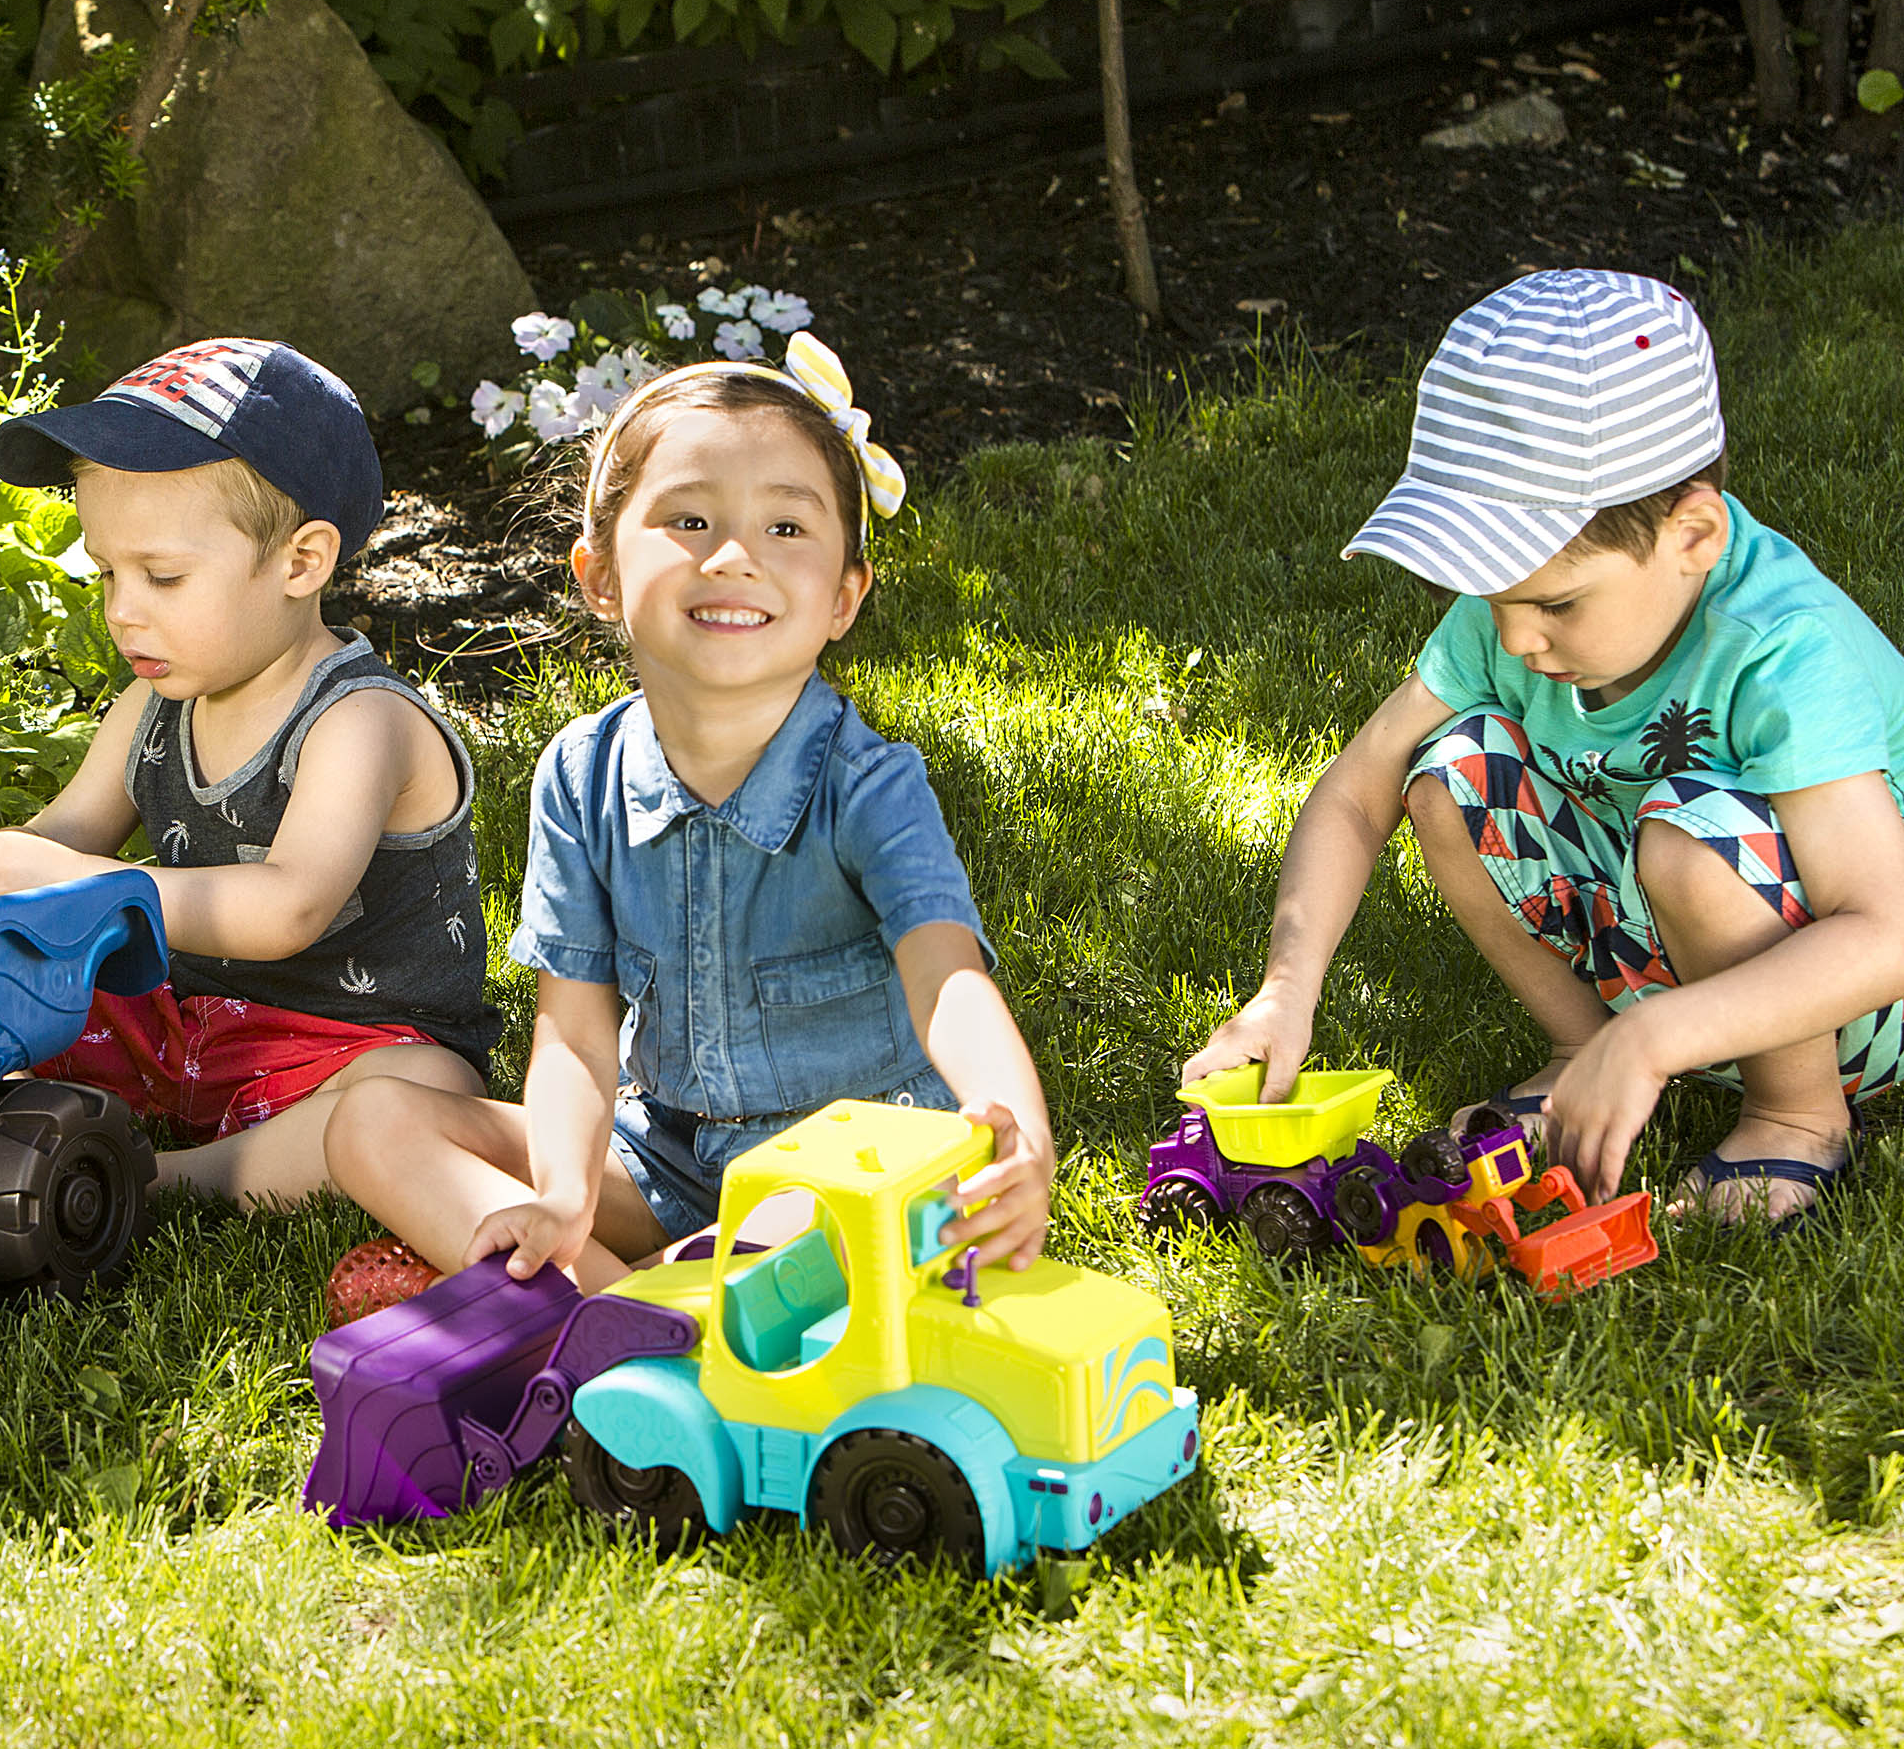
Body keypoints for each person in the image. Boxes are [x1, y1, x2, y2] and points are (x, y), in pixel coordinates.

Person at [323, 332, 1052, 1294]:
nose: (736, 557)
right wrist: (562, 1189)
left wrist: (1014, 1119)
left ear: (844, 596)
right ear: (601, 578)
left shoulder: (869, 785)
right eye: (690, 520)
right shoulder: (581, 776)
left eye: (786, 528)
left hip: (854, 1170)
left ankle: (588, 1301)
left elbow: (945, 976)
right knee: (373, 1119)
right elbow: (577, 1037)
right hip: (663, 1155)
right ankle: (620, 1296)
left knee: (838, 1238)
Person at [1185, 269, 1904, 1223]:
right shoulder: (1517, 624)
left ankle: (1797, 1121)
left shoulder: (1783, 650)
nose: (1517, 638)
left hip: (1849, 998)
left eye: (1556, 603)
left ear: (1692, 535)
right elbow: (1361, 793)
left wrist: (1657, 1036)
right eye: (1494, 597)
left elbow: (1885, 936)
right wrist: (1286, 990)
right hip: (1675, 947)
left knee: (1688, 840)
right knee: (1442, 775)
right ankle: (1579, 1051)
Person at [0, 338, 497, 1206]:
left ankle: (160, 1178)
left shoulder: (360, 721)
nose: (123, 610)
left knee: (424, 1094)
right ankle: (11, 1123)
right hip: (179, 1024)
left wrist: (86, 884)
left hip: (340, 1050)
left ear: (301, 562)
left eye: (163, 577)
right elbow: (65, 837)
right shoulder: (153, 704)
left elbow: (291, 905)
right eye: (107, 574)